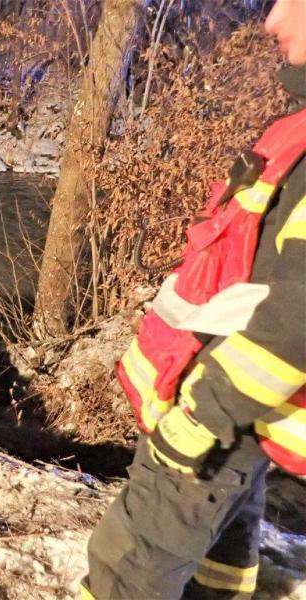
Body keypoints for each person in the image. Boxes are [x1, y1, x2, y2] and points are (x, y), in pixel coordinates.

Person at [83, 2, 306, 598]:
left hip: (216, 415)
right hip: (237, 416)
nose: (271, 21)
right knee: (225, 549)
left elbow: (297, 319)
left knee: (126, 568)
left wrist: (203, 415)